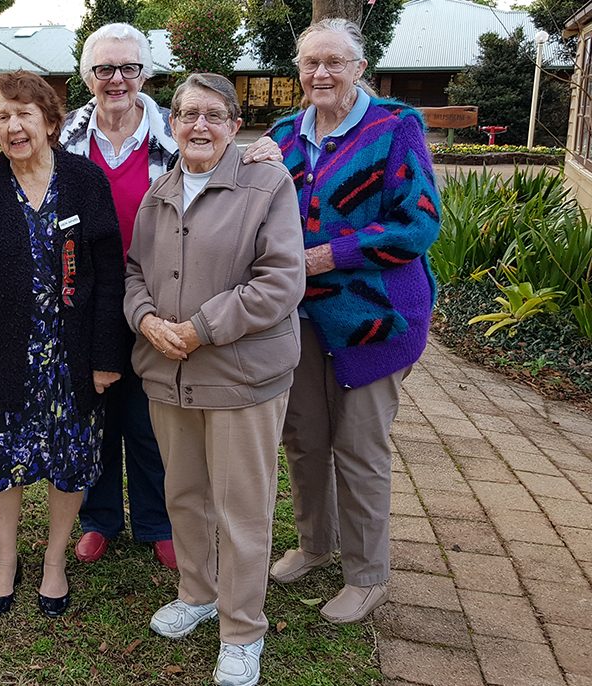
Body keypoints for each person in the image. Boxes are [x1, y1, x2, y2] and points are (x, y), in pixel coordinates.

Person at [59, 23, 282, 569]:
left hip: (158, 296)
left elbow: (224, 155)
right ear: (87, 75)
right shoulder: (63, 136)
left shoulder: (174, 133)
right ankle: (100, 518)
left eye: (129, 68)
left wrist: (262, 149)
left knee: (151, 412)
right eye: (104, 69)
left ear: (145, 73)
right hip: (84, 296)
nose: (117, 79)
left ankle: (159, 522)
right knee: (92, 411)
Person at [127, 73, 304, 686]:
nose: (198, 125)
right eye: (186, 114)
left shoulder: (267, 182)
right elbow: (133, 273)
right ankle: (198, 594)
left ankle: (242, 630)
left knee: (242, 509)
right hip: (170, 375)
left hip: (240, 376)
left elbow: (281, 281)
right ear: (170, 124)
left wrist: (201, 327)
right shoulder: (160, 192)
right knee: (185, 495)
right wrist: (146, 319)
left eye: (212, 114)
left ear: (234, 124)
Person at [265, 18, 441, 624]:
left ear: (359, 68)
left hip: (376, 319)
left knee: (360, 446)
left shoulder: (395, 128)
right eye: (311, 62)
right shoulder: (286, 134)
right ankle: (316, 545)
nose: (321, 73)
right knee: (304, 438)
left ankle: (367, 575)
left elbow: (417, 225)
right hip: (301, 317)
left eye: (334, 62)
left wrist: (328, 254)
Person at [0, 71, 127, 618]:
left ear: (51, 121)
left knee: (71, 460)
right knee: (4, 459)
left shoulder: (84, 180)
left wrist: (104, 355)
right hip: (6, 353)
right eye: (2, 116)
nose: (13, 125)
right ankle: (6, 559)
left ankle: (53, 562)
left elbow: (109, 275)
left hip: (72, 356)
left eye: (25, 114)